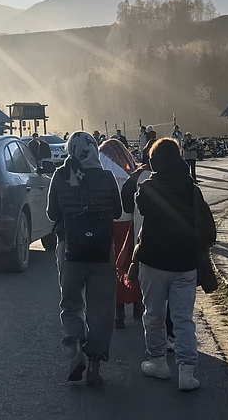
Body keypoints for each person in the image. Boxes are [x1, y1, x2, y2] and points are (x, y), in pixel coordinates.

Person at [125, 138, 213, 392]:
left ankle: (158, 362)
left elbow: (139, 208)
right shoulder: (191, 188)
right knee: (183, 318)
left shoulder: (148, 188)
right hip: (185, 263)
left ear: (155, 161)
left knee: (153, 314)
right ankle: (187, 370)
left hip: (153, 261)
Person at [47, 131, 122, 387]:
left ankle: (76, 345)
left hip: (69, 248)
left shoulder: (60, 175)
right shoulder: (106, 176)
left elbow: (51, 213)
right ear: (93, 149)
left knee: (71, 303)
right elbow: (118, 211)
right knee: (101, 310)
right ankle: (94, 367)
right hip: (101, 250)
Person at [98, 139, 142, 329]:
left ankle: (119, 315)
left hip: (109, 225)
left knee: (113, 269)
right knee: (133, 265)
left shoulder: (101, 169)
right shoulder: (131, 171)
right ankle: (139, 309)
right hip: (130, 225)